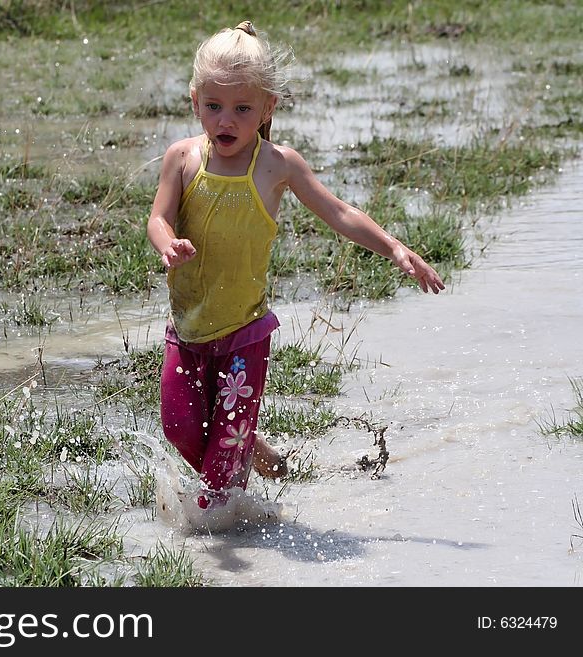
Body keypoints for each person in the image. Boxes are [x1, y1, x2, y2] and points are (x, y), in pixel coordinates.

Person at [146, 20, 445, 510]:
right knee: (178, 428)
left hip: (245, 334)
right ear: (195, 100)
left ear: (268, 107)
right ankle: (249, 450)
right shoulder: (182, 159)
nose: (227, 120)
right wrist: (168, 242)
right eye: (215, 106)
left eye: (243, 109)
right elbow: (157, 218)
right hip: (188, 330)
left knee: (217, 492)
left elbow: (340, 212)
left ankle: (222, 542)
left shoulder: (276, 164)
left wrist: (394, 248)